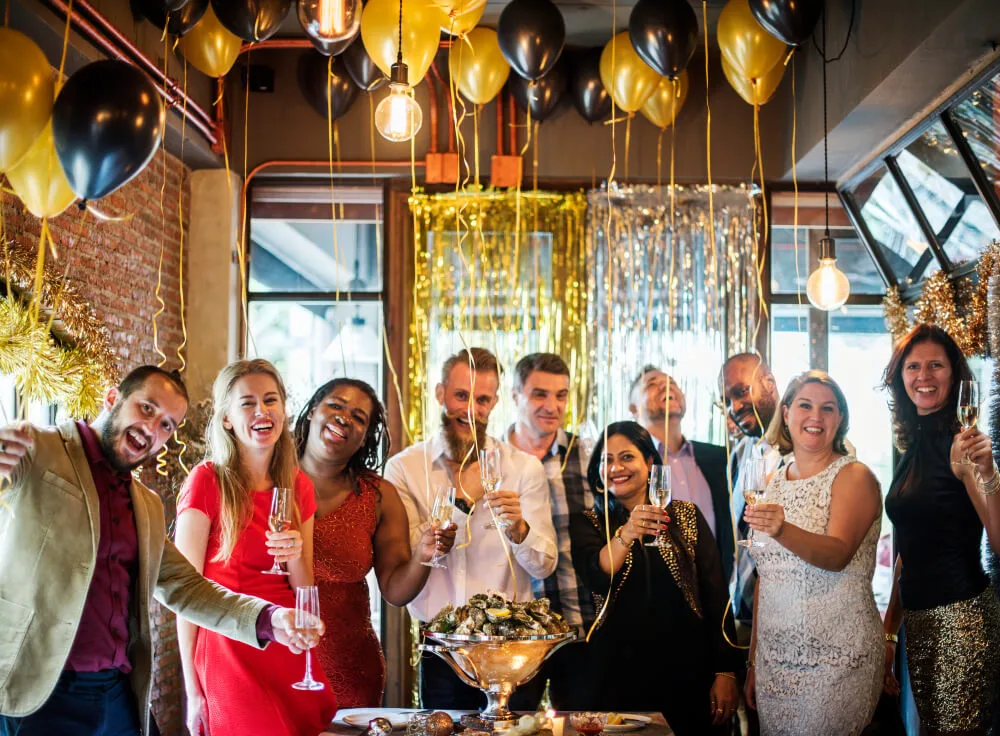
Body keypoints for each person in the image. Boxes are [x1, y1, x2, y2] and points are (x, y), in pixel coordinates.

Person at [0, 365, 319, 736]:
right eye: (147, 408)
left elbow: (188, 588)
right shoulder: (41, 448)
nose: (153, 429)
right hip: (38, 694)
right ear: (111, 398)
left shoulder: (147, 505)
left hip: (117, 694)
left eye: (167, 424)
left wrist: (270, 619)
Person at [384, 347, 557, 709]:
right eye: (461, 396)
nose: (470, 409)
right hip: (442, 648)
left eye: (482, 400)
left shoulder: (523, 469)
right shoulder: (404, 469)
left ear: (494, 403)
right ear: (439, 393)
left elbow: (544, 565)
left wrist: (519, 530)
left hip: (510, 649)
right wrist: (463, 499)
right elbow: (417, 554)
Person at [175, 360, 337, 735]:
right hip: (228, 644)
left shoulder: (299, 487)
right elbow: (184, 597)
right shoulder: (205, 481)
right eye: (247, 403)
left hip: (286, 641)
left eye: (270, 400)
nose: (262, 411)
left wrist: (295, 555)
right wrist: (192, 690)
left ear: (283, 410)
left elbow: (303, 591)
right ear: (227, 419)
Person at [569, 421, 740, 735]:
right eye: (606, 460)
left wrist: (726, 670)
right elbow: (598, 573)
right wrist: (628, 532)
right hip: (617, 677)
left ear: (649, 462)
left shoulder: (686, 516)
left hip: (688, 674)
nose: (616, 467)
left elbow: (716, 595)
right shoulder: (589, 522)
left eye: (627, 457)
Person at [294, 378, 456, 707]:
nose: (344, 418)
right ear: (313, 410)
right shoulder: (266, 479)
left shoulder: (378, 495)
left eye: (358, 417)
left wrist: (424, 555)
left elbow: (396, 592)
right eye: (336, 405)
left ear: (366, 436)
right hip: (273, 657)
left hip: (350, 669)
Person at [743, 371, 882, 736]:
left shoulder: (855, 476)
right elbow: (765, 577)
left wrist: (782, 529)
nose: (815, 417)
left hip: (837, 659)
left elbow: (837, 554)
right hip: (775, 661)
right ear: (786, 413)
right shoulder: (772, 481)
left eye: (828, 408)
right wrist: (754, 661)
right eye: (805, 405)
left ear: (840, 420)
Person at [881, 324, 1000, 735]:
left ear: (955, 375)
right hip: (920, 622)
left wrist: (990, 472)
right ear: (901, 378)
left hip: (961, 619)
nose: (923, 376)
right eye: (913, 366)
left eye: (936, 365)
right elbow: (908, 554)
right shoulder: (911, 444)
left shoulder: (960, 445)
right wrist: (889, 634)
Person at [507, 353, 594, 708]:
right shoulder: (493, 461)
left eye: (561, 395)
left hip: (578, 621)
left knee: (581, 725)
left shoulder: (586, 455)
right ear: (515, 396)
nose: (552, 406)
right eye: (540, 394)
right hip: (516, 630)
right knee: (512, 726)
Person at [629, 365, 734, 581]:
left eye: (672, 383)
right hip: (655, 585)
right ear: (633, 408)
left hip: (716, 587)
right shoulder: (629, 464)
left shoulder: (720, 458)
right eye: (652, 384)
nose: (666, 386)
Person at [720, 353, 781, 635]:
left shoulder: (803, 449)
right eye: (726, 401)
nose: (733, 407)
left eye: (740, 392)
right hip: (740, 614)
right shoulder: (741, 453)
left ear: (768, 382)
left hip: (787, 612)